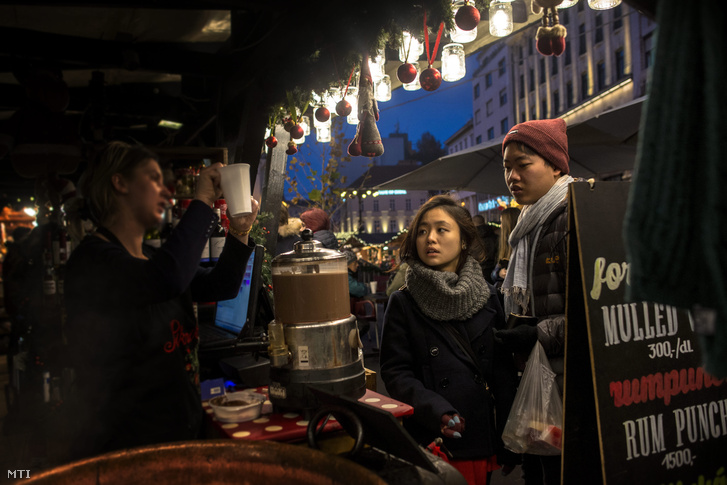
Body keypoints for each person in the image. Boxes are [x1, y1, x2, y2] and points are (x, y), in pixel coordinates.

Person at [63, 141, 259, 460]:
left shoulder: (151, 257)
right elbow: (165, 279)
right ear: (120, 182)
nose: (166, 190)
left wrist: (239, 232)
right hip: (127, 447)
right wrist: (204, 200)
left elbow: (220, 286)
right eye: (153, 178)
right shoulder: (93, 262)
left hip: (175, 436)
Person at [380, 195, 518, 485]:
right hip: (433, 437)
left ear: (464, 240)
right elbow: (396, 372)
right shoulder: (403, 302)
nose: (430, 238)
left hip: (480, 433)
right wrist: (436, 409)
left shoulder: (489, 296)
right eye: (422, 231)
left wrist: (509, 439)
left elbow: (503, 373)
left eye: (442, 229)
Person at [493, 119, 575, 485]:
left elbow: (595, 313)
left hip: (574, 383)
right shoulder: (529, 223)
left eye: (522, 165)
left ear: (556, 164)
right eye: (507, 168)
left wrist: (536, 333)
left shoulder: (572, 215)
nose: (512, 176)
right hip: (541, 378)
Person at [490, 207, 521, 296]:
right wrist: (499, 273)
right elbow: (493, 273)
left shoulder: (521, 245)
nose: (500, 225)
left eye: (502, 222)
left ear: (508, 224)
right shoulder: (504, 244)